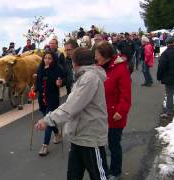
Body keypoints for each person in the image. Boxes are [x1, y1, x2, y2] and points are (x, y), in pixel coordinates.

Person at [36, 47, 108, 180]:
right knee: (73, 176)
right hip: (78, 135)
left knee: (99, 176)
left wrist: (48, 120)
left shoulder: (89, 78)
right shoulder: (83, 77)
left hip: (90, 137)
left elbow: (72, 105)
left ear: (76, 63)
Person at [95, 41, 131, 180]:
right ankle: (103, 169)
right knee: (100, 145)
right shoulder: (98, 67)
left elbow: (126, 95)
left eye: (97, 54)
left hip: (115, 115)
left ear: (104, 55)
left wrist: (120, 111)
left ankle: (115, 171)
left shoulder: (120, 69)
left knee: (114, 144)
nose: (95, 57)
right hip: (100, 114)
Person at [34, 51, 64, 156]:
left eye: (49, 58)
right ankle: (57, 133)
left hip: (52, 99)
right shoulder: (40, 68)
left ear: (53, 60)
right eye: (45, 58)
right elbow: (38, 82)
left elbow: (62, 79)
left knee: (47, 121)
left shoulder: (57, 68)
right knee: (50, 120)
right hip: (42, 100)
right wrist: (34, 90)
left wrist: (59, 82)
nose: (47, 60)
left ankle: (45, 145)